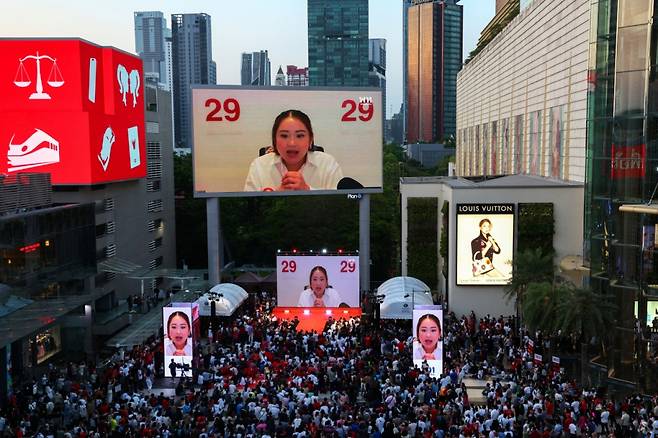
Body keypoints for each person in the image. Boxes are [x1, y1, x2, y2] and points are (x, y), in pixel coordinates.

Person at [244, 109, 343, 191]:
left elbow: (342, 208)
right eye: (284, 135)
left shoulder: (328, 164)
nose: (292, 143)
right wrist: (275, 197)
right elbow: (248, 210)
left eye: (300, 135)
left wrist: (307, 190)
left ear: (310, 139)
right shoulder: (259, 166)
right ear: (274, 139)